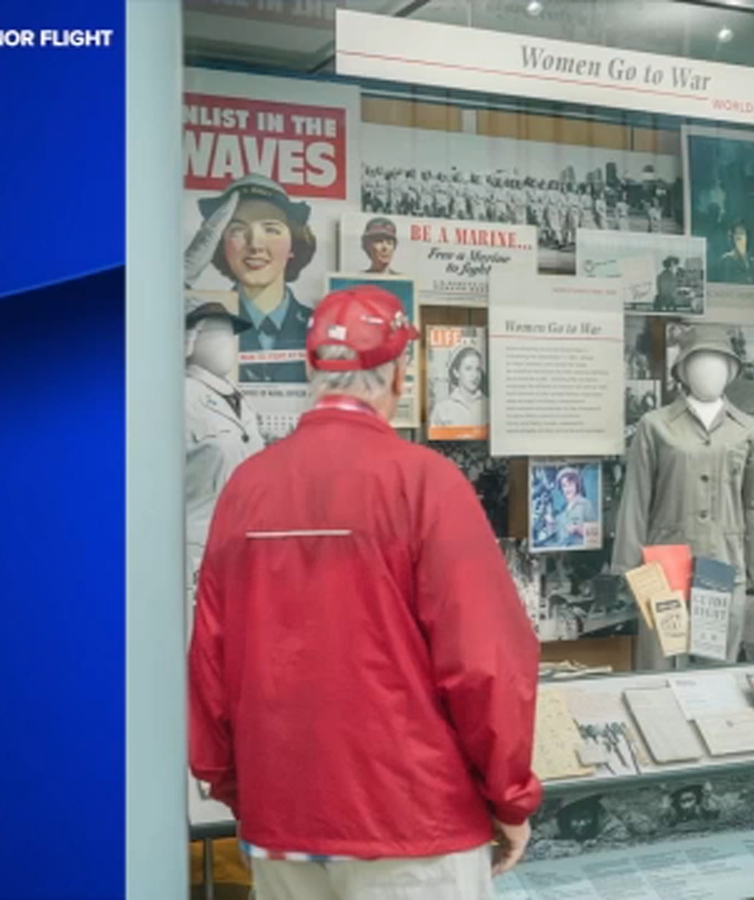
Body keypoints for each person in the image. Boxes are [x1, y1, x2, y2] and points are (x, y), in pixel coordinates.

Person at [189, 284, 543, 900]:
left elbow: (210, 666)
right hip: (413, 825)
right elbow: (487, 661)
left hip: (283, 822)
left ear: (310, 368)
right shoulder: (427, 483)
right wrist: (510, 797)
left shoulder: (247, 488)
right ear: (400, 376)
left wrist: (238, 791)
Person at [196, 174, 318, 382]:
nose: (255, 245)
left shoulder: (319, 326)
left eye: (271, 229)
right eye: (238, 229)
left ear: (293, 245)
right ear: (219, 245)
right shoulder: (199, 327)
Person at [183, 292, 264, 591]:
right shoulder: (179, 398)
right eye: (213, 334)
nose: (225, 343)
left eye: (229, 335)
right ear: (190, 339)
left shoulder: (241, 399)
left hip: (245, 545)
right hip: (195, 549)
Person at [429, 345, 486, 428]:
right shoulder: (442, 409)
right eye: (468, 368)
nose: (475, 375)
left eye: (477, 369)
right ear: (456, 372)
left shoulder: (488, 404)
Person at [553, 467, 592, 546]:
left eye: (570, 484)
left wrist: (578, 530)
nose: (567, 489)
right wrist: (551, 525)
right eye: (564, 486)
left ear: (576, 485)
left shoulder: (586, 504)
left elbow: (594, 536)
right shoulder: (562, 510)